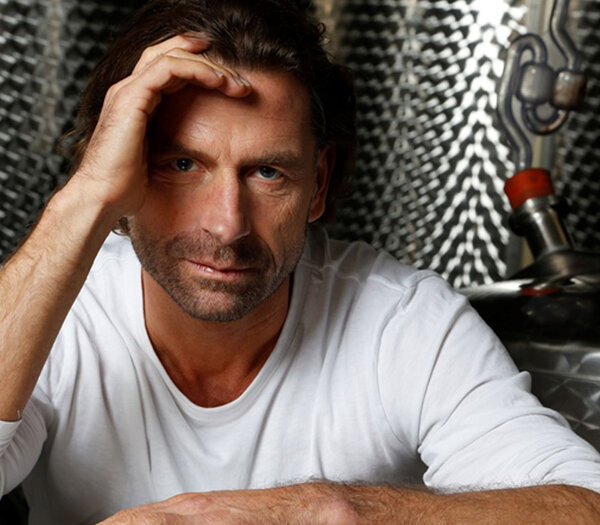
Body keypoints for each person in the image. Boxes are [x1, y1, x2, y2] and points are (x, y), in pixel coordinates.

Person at [1, 0, 599, 523]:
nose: (227, 224)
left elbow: (587, 506)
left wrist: (333, 511)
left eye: (268, 172)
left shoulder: (399, 320)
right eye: (183, 165)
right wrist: (85, 198)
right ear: (123, 169)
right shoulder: (61, 305)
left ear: (319, 183)